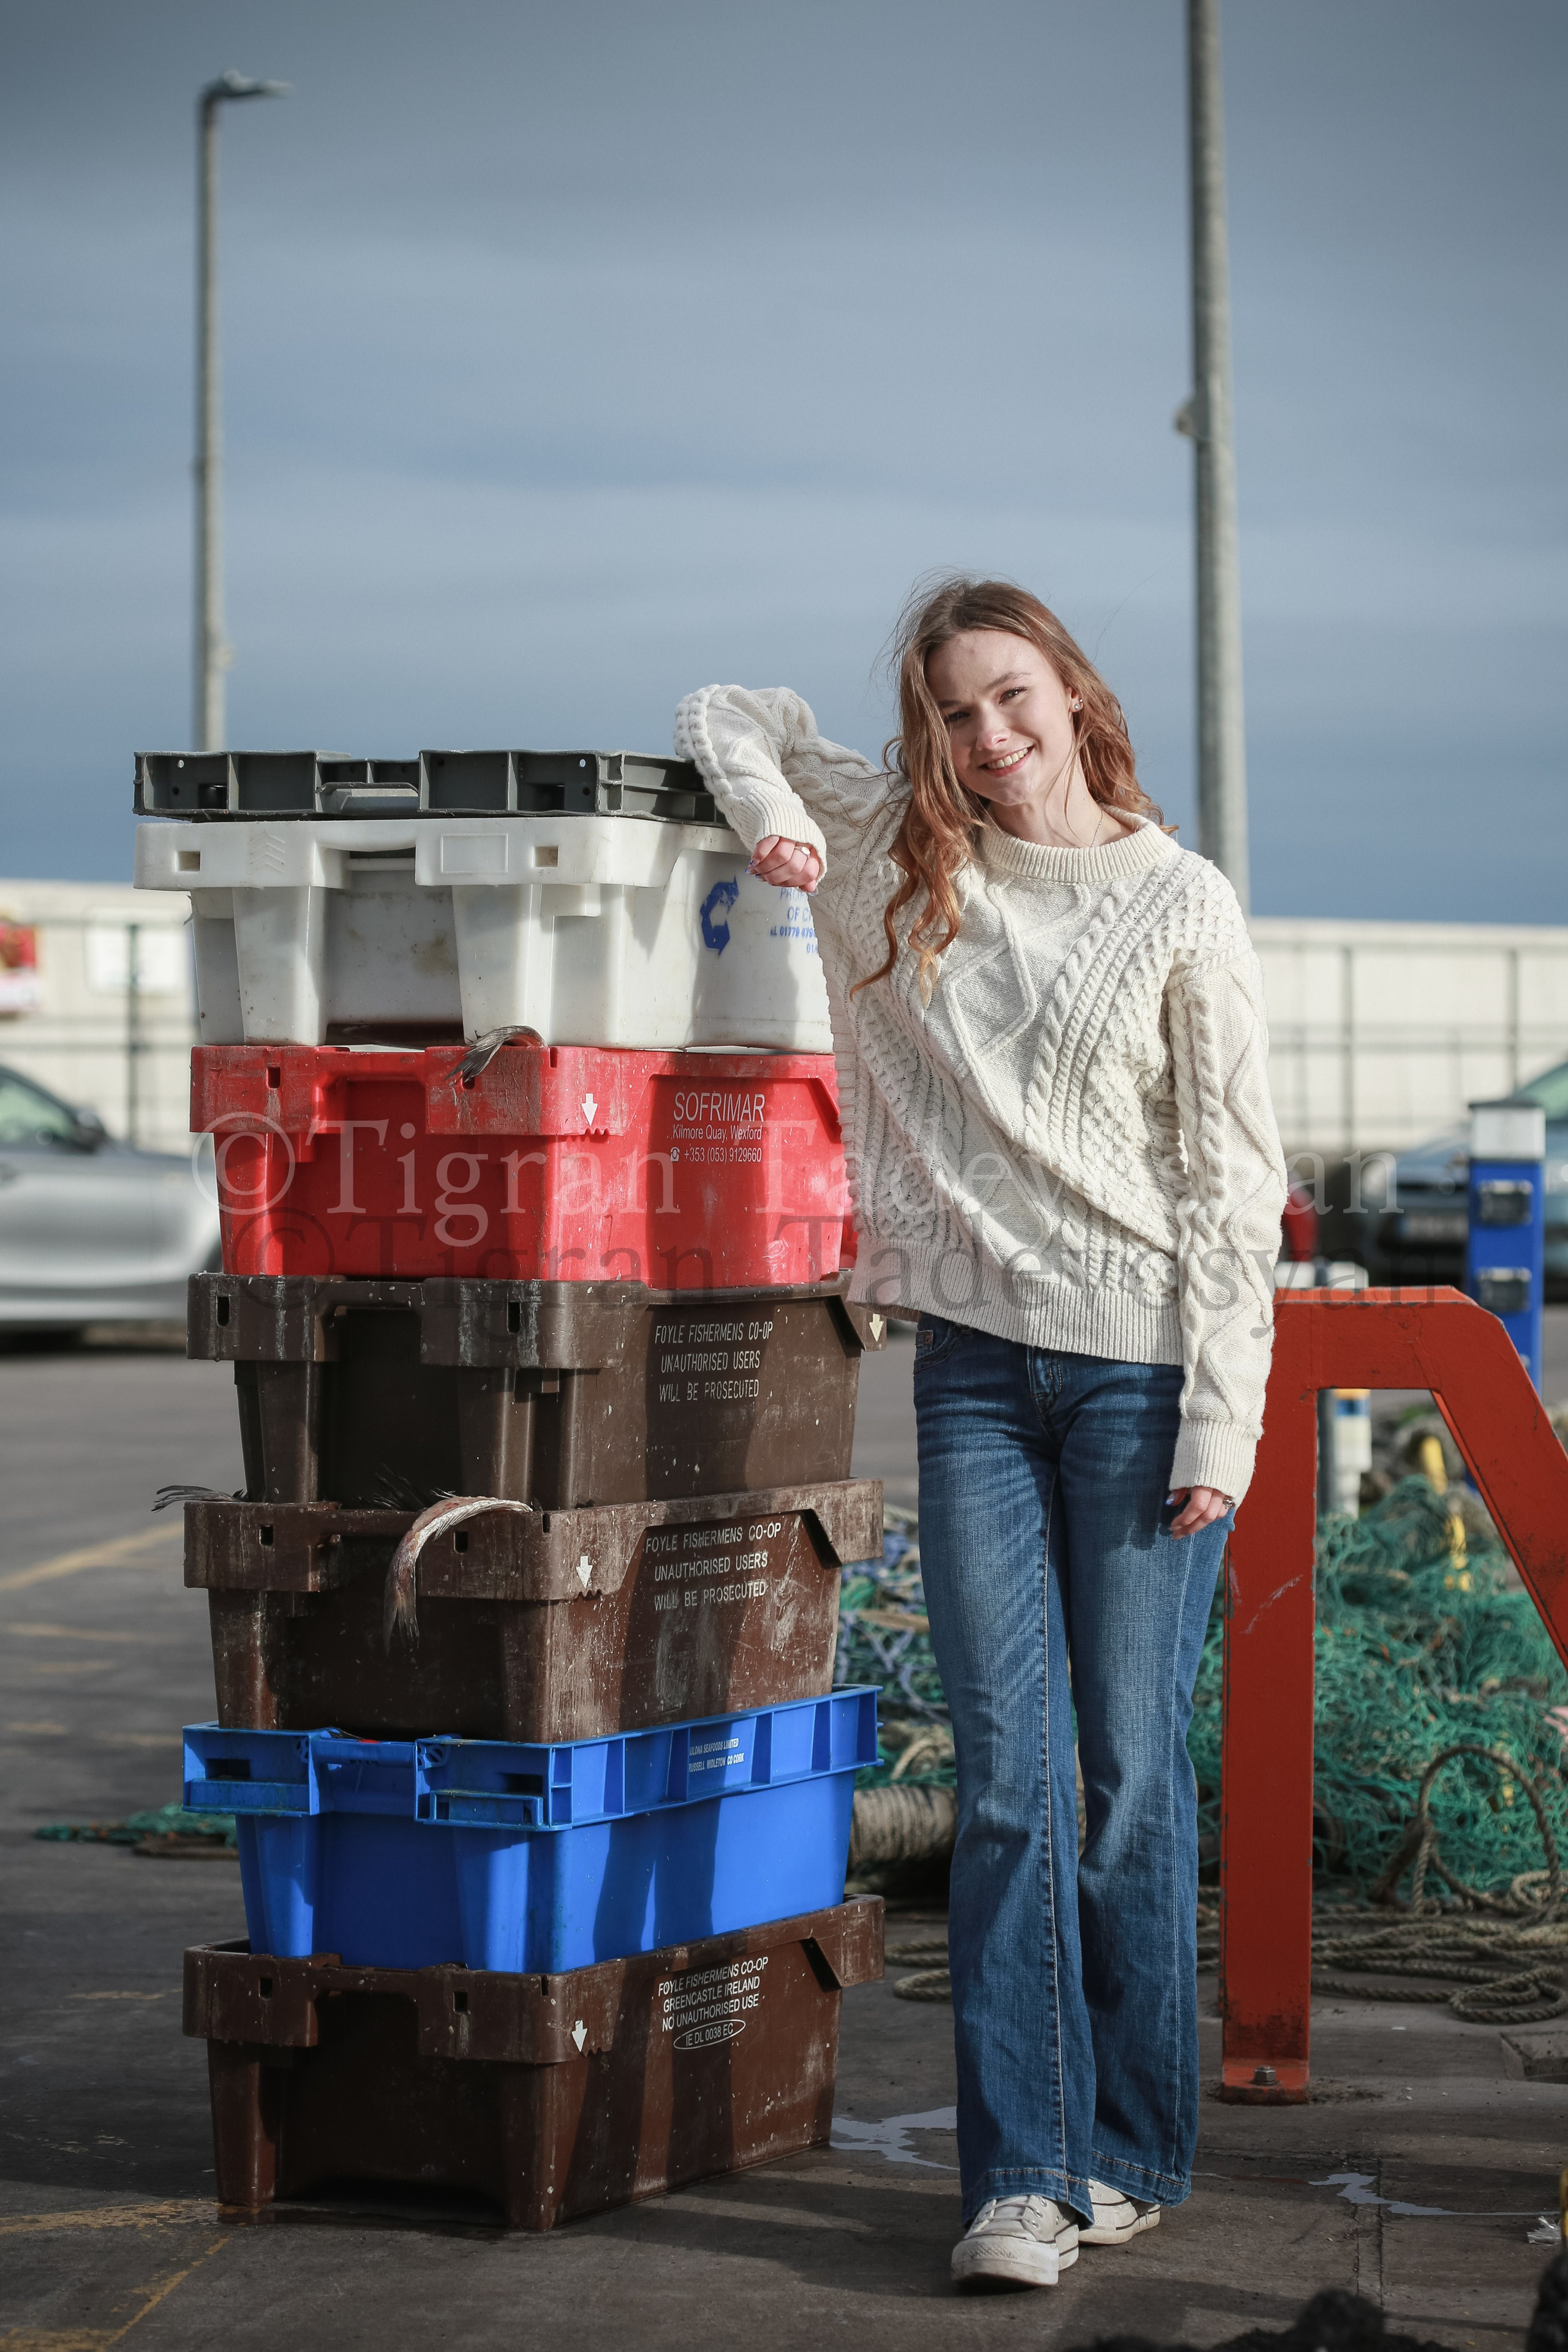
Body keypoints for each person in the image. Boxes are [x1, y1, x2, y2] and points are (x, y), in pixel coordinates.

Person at [675, 575, 1288, 2292]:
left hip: (1144, 1379)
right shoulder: (900, 845)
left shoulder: (1177, 901)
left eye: (1012, 699)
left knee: (1122, 1783)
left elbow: (1235, 1192)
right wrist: (783, 826)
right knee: (1007, 1787)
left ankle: (1133, 2146)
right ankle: (1020, 2175)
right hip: (969, 1373)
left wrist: (1221, 1428)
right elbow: (729, 710)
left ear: (1075, 696)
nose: (989, 739)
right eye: (954, 712)